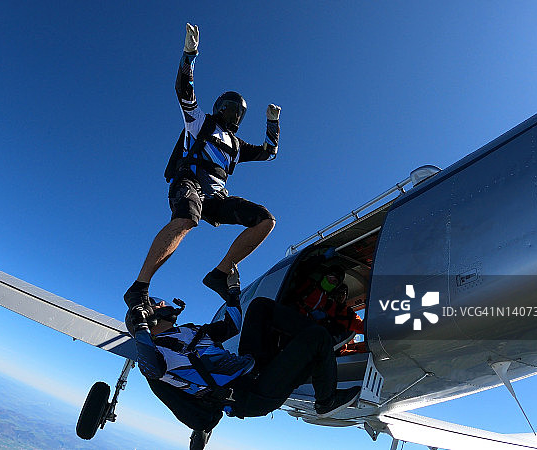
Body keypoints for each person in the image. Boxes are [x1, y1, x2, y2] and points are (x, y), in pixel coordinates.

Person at [124, 22, 281, 309]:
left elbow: (269, 153)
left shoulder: (236, 145)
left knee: (266, 220)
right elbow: (183, 90)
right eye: (229, 108)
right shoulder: (200, 122)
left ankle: (220, 274)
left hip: (216, 197)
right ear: (220, 107)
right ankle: (139, 287)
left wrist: (273, 124)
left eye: (238, 111)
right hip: (189, 183)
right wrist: (189, 54)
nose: (233, 114)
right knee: (186, 219)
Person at [126, 288, 360, 449]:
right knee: (317, 337)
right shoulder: (159, 354)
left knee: (260, 307)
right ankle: (326, 401)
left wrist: (232, 294)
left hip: (252, 367)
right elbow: (150, 368)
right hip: (250, 395)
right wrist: (140, 327)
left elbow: (232, 326)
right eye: (155, 305)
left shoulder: (187, 330)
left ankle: (320, 344)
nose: (162, 303)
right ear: (150, 321)